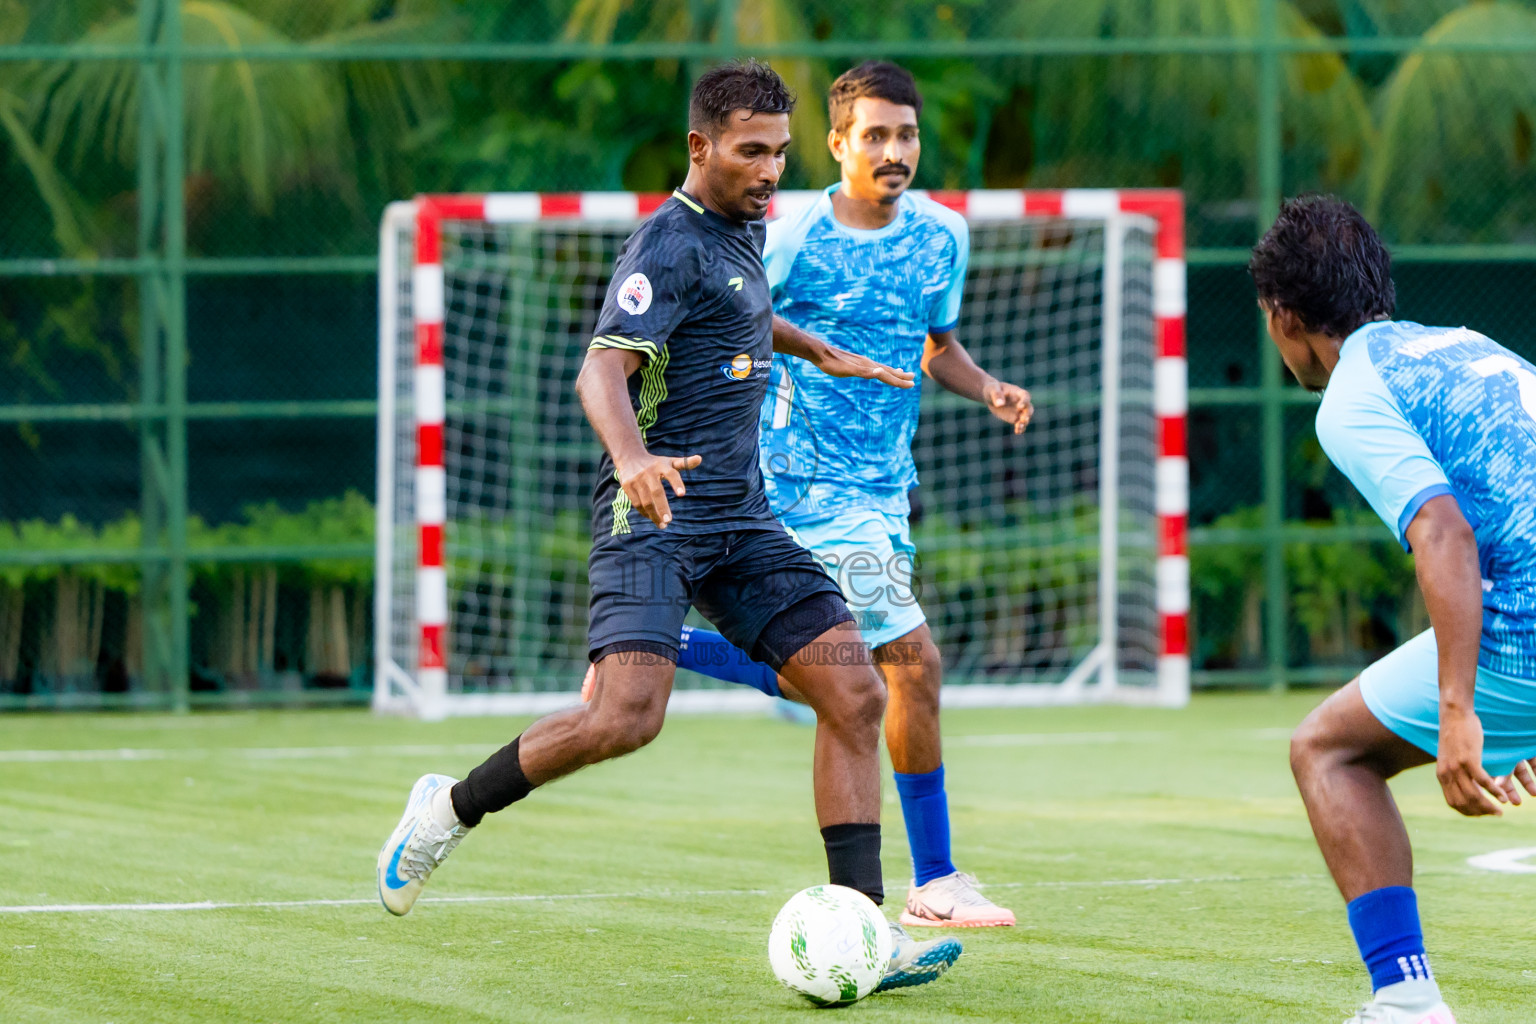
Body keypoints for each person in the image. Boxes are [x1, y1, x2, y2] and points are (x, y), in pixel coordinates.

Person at [376, 59, 961, 992]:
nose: (770, 172)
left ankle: (868, 930)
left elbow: (737, 320)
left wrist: (817, 350)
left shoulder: (740, 235)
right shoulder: (669, 244)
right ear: (701, 147)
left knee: (853, 693)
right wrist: (636, 460)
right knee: (625, 718)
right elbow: (599, 373)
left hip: (741, 518)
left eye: (778, 152)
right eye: (749, 153)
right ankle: (448, 808)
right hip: (650, 517)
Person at [587, 61, 1031, 929]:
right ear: (836, 146)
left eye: (906, 134)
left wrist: (986, 388)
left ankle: (677, 644)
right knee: (912, 666)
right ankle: (934, 881)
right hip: (799, 482)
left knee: (837, 682)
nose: (893, 151)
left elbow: (936, 344)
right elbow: (732, 316)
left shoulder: (944, 236)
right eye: (874, 135)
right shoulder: (786, 234)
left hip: (884, 484)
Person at [1252, 194, 1536, 1024]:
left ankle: (1407, 999)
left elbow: (1443, 533)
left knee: (1327, 753)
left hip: (1524, 623)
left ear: (1285, 316)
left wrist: (1463, 713)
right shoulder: (1465, 347)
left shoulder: (1351, 394)